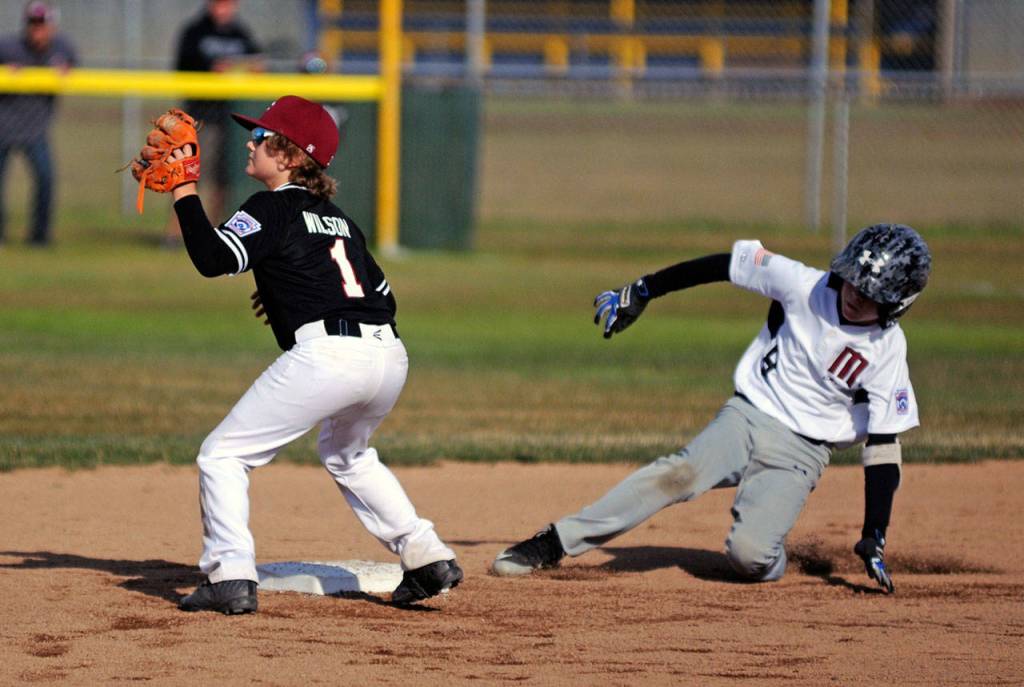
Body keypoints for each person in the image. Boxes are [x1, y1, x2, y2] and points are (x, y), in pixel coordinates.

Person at [493, 225, 932, 594]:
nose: (856, 294)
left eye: (872, 292)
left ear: (898, 303)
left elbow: (883, 444)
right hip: (749, 414)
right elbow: (725, 266)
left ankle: (770, 540)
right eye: (854, 279)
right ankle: (553, 543)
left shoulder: (886, 351)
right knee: (677, 474)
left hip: (804, 451)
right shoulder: (803, 284)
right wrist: (644, 289)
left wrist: (875, 533)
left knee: (750, 558)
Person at [166, 95, 461, 613]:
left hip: (329, 357)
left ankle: (229, 574)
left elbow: (213, 260)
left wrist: (183, 188)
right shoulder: (341, 219)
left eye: (261, 136)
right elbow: (383, 297)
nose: (250, 142)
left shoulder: (270, 205)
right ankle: (425, 554)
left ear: (290, 155)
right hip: (387, 355)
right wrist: (287, 293)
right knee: (347, 455)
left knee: (224, 455)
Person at [164, 0, 262, 247]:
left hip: (230, 117)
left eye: (228, 4)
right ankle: (176, 234)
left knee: (223, 177)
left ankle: (217, 232)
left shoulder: (240, 33)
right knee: (188, 174)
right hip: (199, 118)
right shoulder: (195, 32)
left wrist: (247, 69)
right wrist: (210, 69)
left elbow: (256, 63)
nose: (223, 9)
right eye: (218, 4)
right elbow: (181, 67)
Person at [0, 1, 77, 247]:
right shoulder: (7, 47)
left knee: (46, 179)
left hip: (35, 130)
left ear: (52, 27)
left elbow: (75, 68)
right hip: (3, 127)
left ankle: (39, 236)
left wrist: (66, 71)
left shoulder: (62, 48)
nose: (37, 31)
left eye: (42, 25)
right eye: (33, 24)